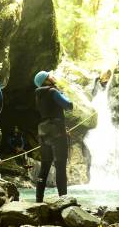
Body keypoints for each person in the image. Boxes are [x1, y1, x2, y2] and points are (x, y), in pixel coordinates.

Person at [34, 71, 73, 203]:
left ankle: (39, 199)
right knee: (60, 165)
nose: (53, 76)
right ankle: (64, 199)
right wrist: (61, 93)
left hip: (43, 131)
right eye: (50, 75)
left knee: (45, 166)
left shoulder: (38, 95)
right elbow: (69, 105)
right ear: (46, 80)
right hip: (57, 131)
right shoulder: (53, 92)